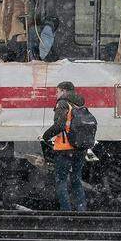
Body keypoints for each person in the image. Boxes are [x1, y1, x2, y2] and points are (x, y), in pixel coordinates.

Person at [41, 81, 87, 211]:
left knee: (61, 180)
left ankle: (66, 211)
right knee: (76, 179)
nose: (56, 94)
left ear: (64, 91)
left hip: (65, 149)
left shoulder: (63, 103)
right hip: (80, 148)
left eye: (57, 91)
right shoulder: (79, 104)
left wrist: (45, 136)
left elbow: (59, 126)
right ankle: (81, 209)